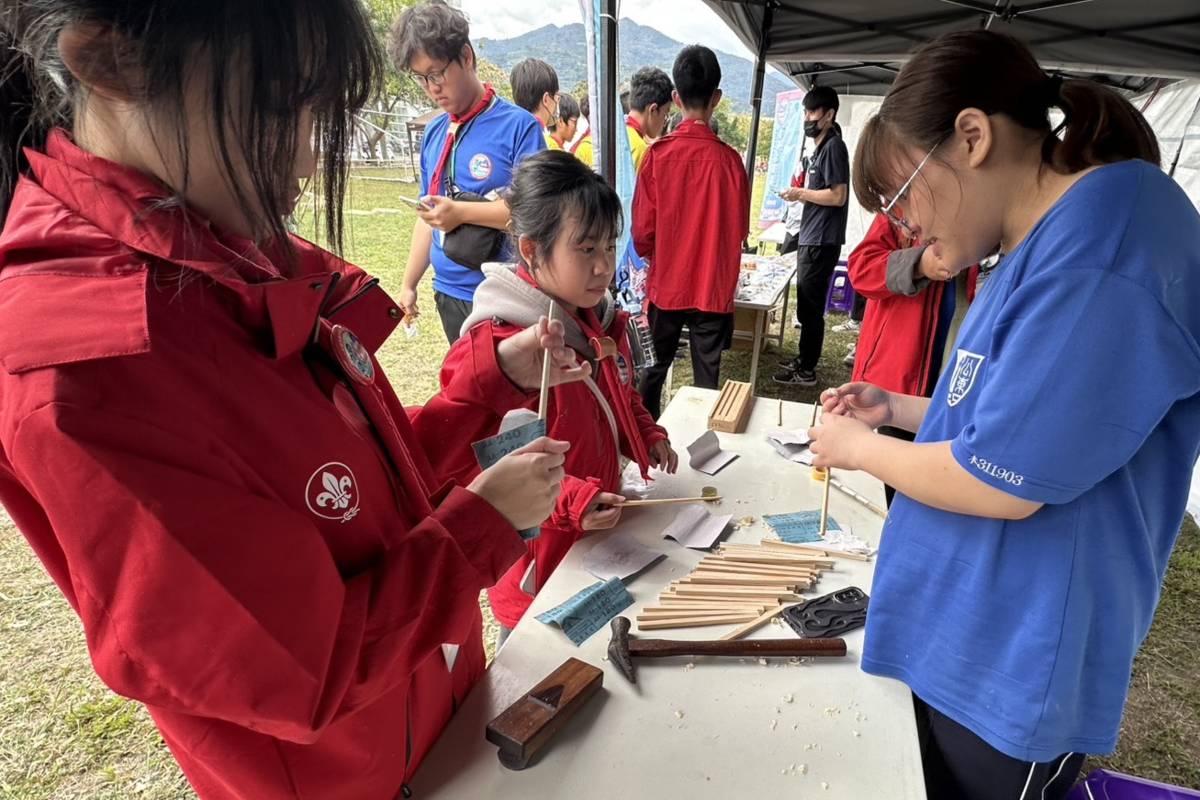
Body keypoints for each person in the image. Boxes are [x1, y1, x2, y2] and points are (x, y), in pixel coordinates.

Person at [0, 3, 588, 798]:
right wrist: (479, 526)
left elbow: (356, 496)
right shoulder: (89, 367)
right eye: (282, 107)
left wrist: (488, 384)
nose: (309, 157)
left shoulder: (226, 251)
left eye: (317, 113)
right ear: (113, 65)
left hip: (434, 723)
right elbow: (300, 666)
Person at [809, 30, 1200, 800]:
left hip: (1011, 662)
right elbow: (1004, 417)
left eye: (904, 194)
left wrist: (859, 448)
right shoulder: (1040, 241)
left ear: (972, 137)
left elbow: (1002, 479)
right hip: (964, 633)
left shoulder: (1104, 246)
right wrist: (896, 407)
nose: (906, 226)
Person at [418, 151, 677, 643]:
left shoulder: (594, 317)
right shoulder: (499, 350)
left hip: (594, 544)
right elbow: (493, 472)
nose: (604, 266)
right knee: (538, 667)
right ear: (532, 250)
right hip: (537, 568)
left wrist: (646, 434)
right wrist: (575, 500)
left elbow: (618, 394)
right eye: (586, 249)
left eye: (609, 245)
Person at [391, 0, 545, 343]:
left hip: (502, 294)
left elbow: (533, 216)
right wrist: (409, 284)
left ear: (466, 56)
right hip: (448, 293)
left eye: (437, 73)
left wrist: (459, 212)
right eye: (421, 78)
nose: (431, 88)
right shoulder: (435, 132)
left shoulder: (519, 127)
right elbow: (427, 214)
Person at [633, 46, 750, 418]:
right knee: (707, 381)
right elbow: (740, 230)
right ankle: (703, 442)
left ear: (676, 97)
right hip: (712, 288)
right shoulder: (731, 162)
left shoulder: (657, 156)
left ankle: (646, 440)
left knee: (653, 371)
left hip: (667, 284)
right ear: (716, 98)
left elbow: (642, 234)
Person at [846, 213, 978, 504]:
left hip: (958, 378)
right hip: (898, 376)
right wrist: (918, 264)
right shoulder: (900, 211)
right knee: (895, 483)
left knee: (946, 483)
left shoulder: (985, 218)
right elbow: (862, 271)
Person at [774, 85, 850, 387]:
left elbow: (838, 195)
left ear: (829, 115)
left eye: (812, 112)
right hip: (811, 235)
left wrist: (800, 193)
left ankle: (807, 370)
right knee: (805, 304)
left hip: (822, 240)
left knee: (811, 306)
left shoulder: (833, 147)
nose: (807, 118)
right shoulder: (820, 148)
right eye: (805, 112)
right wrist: (801, 194)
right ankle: (803, 359)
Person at [625, 66, 674, 171]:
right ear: (653, 110)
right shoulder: (641, 151)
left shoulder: (616, 133)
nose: (664, 122)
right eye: (665, 113)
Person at [510, 58, 562, 150]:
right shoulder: (540, 140)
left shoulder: (511, 133)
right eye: (557, 97)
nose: (557, 103)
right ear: (546, 99)